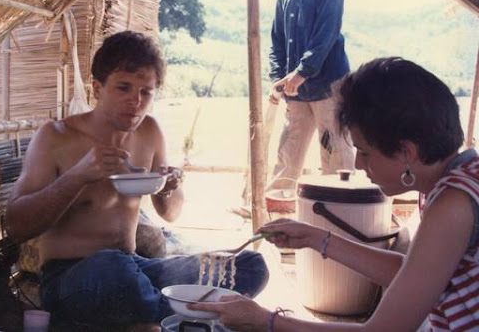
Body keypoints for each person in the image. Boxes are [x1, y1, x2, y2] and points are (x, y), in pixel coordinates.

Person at [190, 57, 479, 331]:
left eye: (364, 152)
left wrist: (266, 323)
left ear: (407, 152)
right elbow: (414, 275)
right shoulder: (455, 180)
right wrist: (316, 238)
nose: (358, 164)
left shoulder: (454, 202)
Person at [6, 31, 269, 331]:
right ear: (97, 88)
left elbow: (170, 213)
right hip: (71, 279)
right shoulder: (56, 137)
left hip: (136, 271)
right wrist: (77, 177)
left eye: (146, 92)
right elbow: (17, 225)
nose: (136, 101)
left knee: (249, 266)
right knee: (113, 266)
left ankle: (166, 311)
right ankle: (186, 316)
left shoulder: (150, 133)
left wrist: (171, 186)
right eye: (124, 88)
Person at [265, 0, 355, 197]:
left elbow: (327, 31)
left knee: (334, 151)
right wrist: (277, 78)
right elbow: (277, 38)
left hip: (328, 83)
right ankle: (276, 206)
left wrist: (303, 71)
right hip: (295, 88)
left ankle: (342, 207)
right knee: (288, 151)